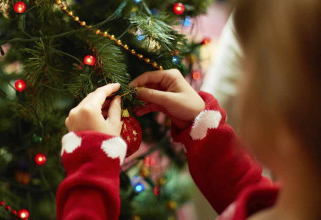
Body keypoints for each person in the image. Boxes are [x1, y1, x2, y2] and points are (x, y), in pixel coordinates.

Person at [56, 0, 321, 219]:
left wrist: (91, 164)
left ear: (287, 110)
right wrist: (203, 125)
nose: (238, 81)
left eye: (249, 66)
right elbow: (251, 201)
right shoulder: (296, 203)